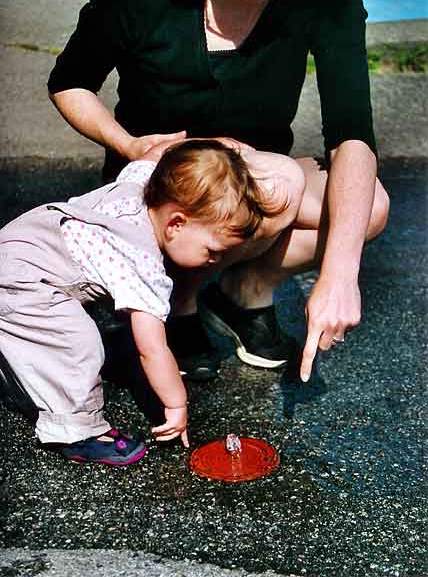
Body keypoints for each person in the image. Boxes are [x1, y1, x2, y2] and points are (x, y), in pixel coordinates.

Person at [47, 0, 390, 383]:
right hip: (154, 186)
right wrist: (130, 145)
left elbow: (351, 132)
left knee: (367, 207)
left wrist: (341, 274)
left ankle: (244, 290)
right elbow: (70, 82)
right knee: (276, 182)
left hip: (253, 176)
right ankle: (175, 302)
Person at [0, 139, 296, 466]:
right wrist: (176, 403)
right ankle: (78, 430)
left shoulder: (141, 184)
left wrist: (204, 146)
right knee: (77, 346)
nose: (215, 261)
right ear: (176, 223)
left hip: (21, 246)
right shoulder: (141, 259)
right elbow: (152, 348)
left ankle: (26, 376)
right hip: (23, 281)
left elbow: (155, 155)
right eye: (212, 250)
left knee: (41, 331)